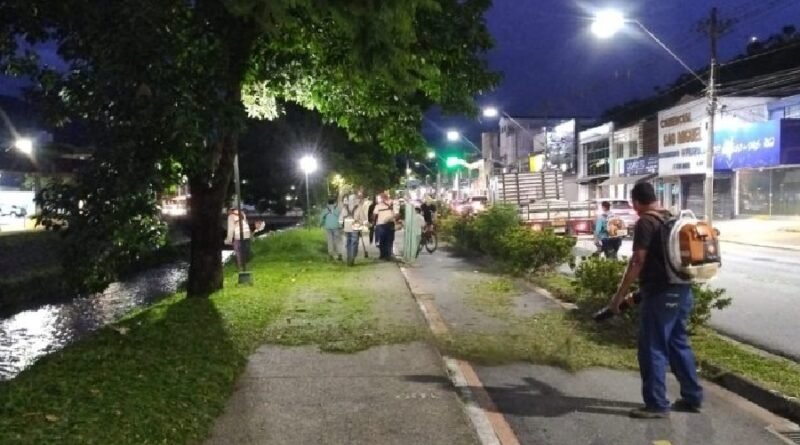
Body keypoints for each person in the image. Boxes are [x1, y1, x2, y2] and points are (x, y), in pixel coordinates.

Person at [606, 182, 703, 419]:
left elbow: (638, 261)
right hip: (683, 289)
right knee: (678, 343)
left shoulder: (645, 222)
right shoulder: (670, 218)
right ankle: (693, 397)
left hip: (661, 294)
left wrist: (618, 296)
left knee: (652, 347)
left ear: (636, 202)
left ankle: (657, 404)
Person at [341, 192, 369, 266]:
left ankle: (350, 257)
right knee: (354, 242)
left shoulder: (345, 208)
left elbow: (341, 218)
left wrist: (341, 225)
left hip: (348, 226)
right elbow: (363, 218)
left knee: (349, 242)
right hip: (355, 226)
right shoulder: (358, 208)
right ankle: (352, 257)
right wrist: (365, 224)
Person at [372, 193, 395, 260]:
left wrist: (373, 222)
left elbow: (374, 214)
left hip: (382, 224)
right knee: (387, 240)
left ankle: (384, 255)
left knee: (383, 240)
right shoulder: (391, 203)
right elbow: (374, 214)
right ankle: (387, 255)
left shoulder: (379, 205)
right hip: (387, 224)